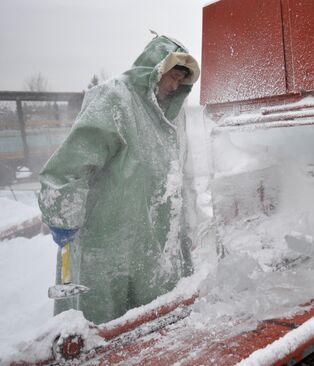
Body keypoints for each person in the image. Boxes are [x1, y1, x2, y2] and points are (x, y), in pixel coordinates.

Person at [38, 35, 200, 324]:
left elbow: (182, 176)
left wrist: (189, 226)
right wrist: (62, 215)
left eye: (181, 81)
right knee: (101, 322)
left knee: (149, 325)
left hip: (152, 240)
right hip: (106, 237)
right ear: (156, 70)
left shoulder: (174, 116)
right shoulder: (116, 99)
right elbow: (72, 163)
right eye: (172, 77)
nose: (175, 86)